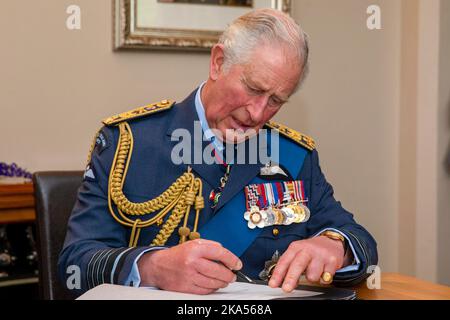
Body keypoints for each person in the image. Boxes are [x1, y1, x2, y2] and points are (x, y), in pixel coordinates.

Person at [58, 8, 377, 296]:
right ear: (218, 62)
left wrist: (335, 246)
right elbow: (75, 264)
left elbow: (359, 239)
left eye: (276, 100)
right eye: (253, 88)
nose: (257, 113)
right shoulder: (128, 141)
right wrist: (152, 267)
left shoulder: (292, 156)